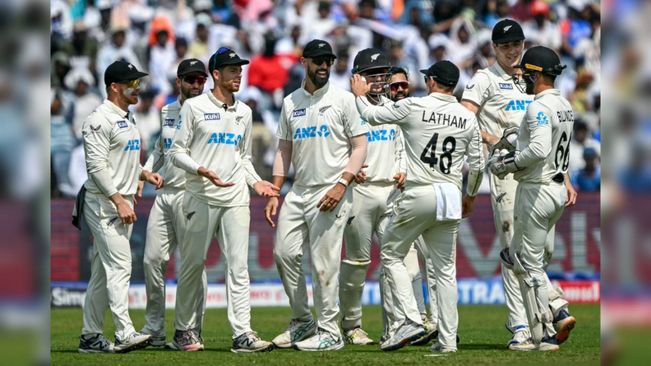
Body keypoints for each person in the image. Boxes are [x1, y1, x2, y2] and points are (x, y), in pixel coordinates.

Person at [351, 60, 484, 353]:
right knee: (445, 270)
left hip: (419, 191)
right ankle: (448, 341)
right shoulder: (468, 117)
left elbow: (372, 116)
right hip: (450, 194)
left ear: (433, 82)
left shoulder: (414, 107)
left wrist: (360, 95)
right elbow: (477, 166)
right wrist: (470, 196)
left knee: (390, 252)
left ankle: (411, 319)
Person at [168, 47, 279, 353]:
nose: (238, 75)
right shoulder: (194, 108)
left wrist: (257, 183)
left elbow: (242, 158)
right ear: (216, 75)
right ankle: (184, 330)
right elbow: (175, 152)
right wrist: (201, 170)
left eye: (240, 70)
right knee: (192, 265)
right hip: (200, 195)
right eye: (232, 70)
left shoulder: (245, 112)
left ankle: (242, 333)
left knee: (239, 267)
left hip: (235, 198)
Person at [264, 39, 368, 351]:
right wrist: (274, 189)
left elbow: (360, 146)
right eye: (318, 61)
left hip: (330, 191)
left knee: (324, 264)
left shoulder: (343, 99)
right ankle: (302, 321)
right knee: (284, 254)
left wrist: (342, 183)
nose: (324, 66)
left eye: (328, 61)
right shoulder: (290, 102)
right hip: (297, 192)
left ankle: (330, 332)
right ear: (304, 62)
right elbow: (284, 148)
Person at [489, 46, 578, 351]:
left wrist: (507, 164)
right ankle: (542, 332)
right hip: (555, 187)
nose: (523, 77)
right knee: (515, 258)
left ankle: (552, 319)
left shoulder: (538, 108)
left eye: (527, 73)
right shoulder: (565, 104)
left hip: (536, 189)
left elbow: (538, 150)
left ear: (537, 74)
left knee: (529, 261)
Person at [75, 60, 163, 353]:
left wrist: (143, 173)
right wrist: (118, 200)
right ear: (114, 87)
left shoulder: (127, 117)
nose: (138, 88)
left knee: (102, 273)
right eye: (132, 83)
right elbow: (96, 167)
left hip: (119, 201)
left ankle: (90, 336)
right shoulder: (99, 119)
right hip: (105, 204)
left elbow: (120, 160)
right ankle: (125, 333)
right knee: (121, 266)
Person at [460, 18, 536, 350]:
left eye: (516, 44)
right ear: (494, 48)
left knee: (538, 250)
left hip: (535, 172)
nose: (512, 51)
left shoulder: (533, 78)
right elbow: (462, 118)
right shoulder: (484, 79)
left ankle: (539, 320)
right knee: (511, 247)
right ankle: (520, 325)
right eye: (505, 46)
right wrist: (490, 137)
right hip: (505, 172)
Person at [139, 59, 209, 347]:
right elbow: (160, 148)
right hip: (164, 195)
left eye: (200, 80)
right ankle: (154, 330)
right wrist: (145, 171)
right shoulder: (166, 110)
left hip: (192, 194)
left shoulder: (211, 111)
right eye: (190, 80)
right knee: (152, 260)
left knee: (193, 266)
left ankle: (191, 328)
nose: (196, 85)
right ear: (178, 81)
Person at [338, 49, 405, 346]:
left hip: (390, 192)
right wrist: (348, 170)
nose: (379, 81)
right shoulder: (347, 107)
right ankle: (351, 324)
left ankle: (395, 326)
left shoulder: (393, 107)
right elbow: (336, 147)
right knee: (357, 263)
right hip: (360, 192)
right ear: (358, 78)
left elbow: (401, 145)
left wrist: (402, 169)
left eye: (382, 75)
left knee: (394, 262)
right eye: (372, 75)